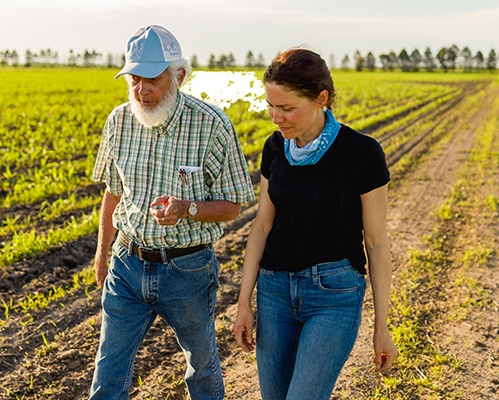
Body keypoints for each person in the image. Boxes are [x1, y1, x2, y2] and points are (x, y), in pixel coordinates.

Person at [89, 25, 255, 400]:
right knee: (108, 367)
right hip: (127, 265)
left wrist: (187, 209)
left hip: (187, 270)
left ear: (178, 76)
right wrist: (103, 254)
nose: (141, 90)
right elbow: (113, 191)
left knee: (200, 365)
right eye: (134, 80)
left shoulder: (212, 125)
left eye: (151, 79)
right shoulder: (119, 121)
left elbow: (233, 204)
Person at [232, 48, 398, 400]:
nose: (276, 117)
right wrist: (244, 302)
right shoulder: (275, 147)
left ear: (321, 98)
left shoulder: (362, 153)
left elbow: (377, 243)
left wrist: (382, 326)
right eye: (270, 106)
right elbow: (262, 226)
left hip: (333, 295)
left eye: (287, 108)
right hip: (275, 292)